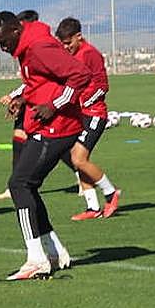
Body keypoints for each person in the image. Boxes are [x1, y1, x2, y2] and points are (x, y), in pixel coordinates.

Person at [0, 10, 91, 280]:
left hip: (59, 126)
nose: (2, 48)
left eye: (4, 41)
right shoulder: (26, 47)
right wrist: (23, 99)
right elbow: (39, 80)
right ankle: (55, 253)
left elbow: (80, 75)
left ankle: (36, 259)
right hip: (46, 124)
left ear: (15, 29)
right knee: (27, 186)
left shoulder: (38, 46)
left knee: (19, 184)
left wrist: (54, 105)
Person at [54, 17, 120, 220]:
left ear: (79, 36)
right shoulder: (70, 55)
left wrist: (85, 102)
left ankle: (111, 193)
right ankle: (92, 208)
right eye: (62, 44)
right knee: (76, 160)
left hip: (94, 115)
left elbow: (102, 86)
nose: (66, 47)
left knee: (79, 158)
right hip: (78, 115)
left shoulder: (90, 54)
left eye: (68, 43)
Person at [0, 9, 42, 200]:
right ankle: (14, 184)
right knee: (18, 139)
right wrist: (17, 98)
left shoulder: (38, 47)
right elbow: (29, 82)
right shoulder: (23, 50)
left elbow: (38, 82)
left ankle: (83, 178)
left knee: (61, 149)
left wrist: (15, 96)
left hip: (42, 104)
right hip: (28, 100)